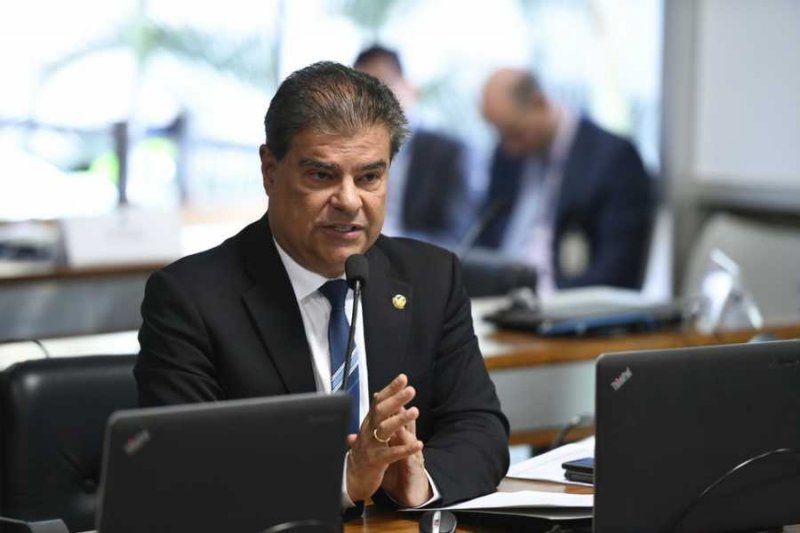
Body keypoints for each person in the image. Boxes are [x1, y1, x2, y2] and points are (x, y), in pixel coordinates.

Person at [135, 61, 509, 515]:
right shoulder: (189, 300)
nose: (349, 201)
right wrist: (344, 480)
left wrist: (417, 480)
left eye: (369, 177)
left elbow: (480, 428)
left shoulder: (431, 276)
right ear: (270, 171)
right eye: (322, 176)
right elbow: (188, 473)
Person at [478, 68, 654, 293]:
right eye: (500, 134)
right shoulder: (508, 154)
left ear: (540, 103)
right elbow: (487, 236)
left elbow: (617, 271)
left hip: (566, 302)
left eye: (515, 133)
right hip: (496, 296)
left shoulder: (613, 158)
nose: (509, 148)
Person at [353, 45, 474, 247]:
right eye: (362, 94)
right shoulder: (349, 150)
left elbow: (457, 234)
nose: (373, 101)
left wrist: (399, 246)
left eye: (384, 85)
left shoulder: (448, 152)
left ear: (409, 88)